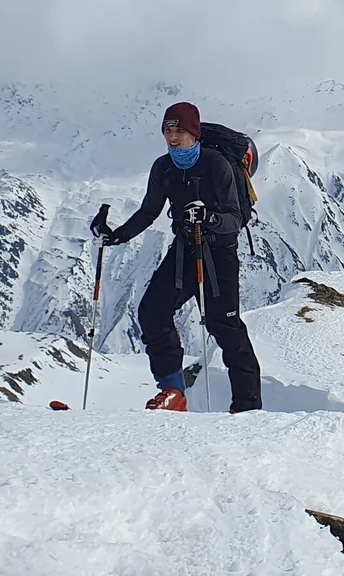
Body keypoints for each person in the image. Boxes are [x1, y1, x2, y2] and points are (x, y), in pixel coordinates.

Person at [93, 101, 264, 412]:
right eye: (167, 130)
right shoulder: (163, 167)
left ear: (194, 133)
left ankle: (248, 407)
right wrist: (116, 235)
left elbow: (234, 219)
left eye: (179, 129)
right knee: (152, 312)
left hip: (219, 255)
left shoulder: (216, 165)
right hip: (184, 250)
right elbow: (149, 211)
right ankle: (174, 393)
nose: (172, 136)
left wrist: (209, 218)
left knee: (225, 327)